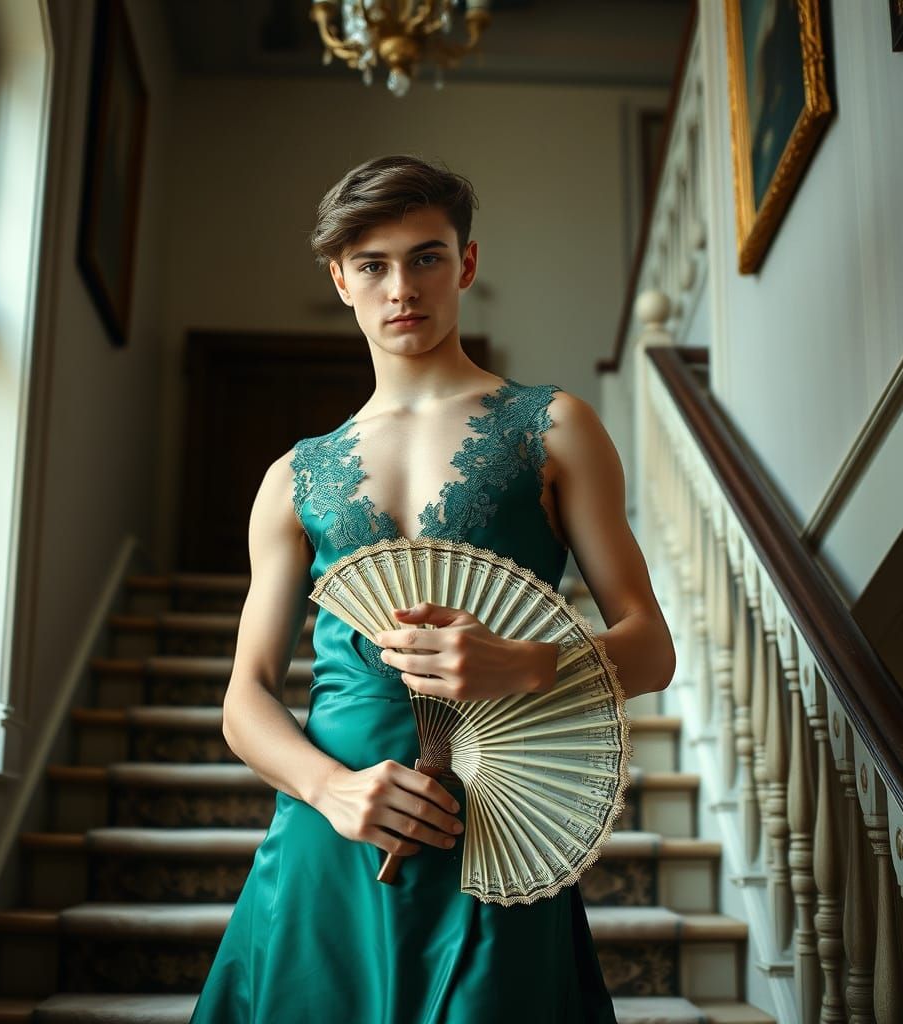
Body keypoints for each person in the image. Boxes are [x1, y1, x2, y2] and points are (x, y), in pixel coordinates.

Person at [189, 154, 676, 1023]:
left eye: (426, 257)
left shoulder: (554, 426)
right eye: (372, 265)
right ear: (341, 281)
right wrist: (331, 790)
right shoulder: (293, 476)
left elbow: (650, 645)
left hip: (494, 822)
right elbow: (245, 699)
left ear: (467, 265)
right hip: (333, 819)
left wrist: (528, 663)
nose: (400, 286)